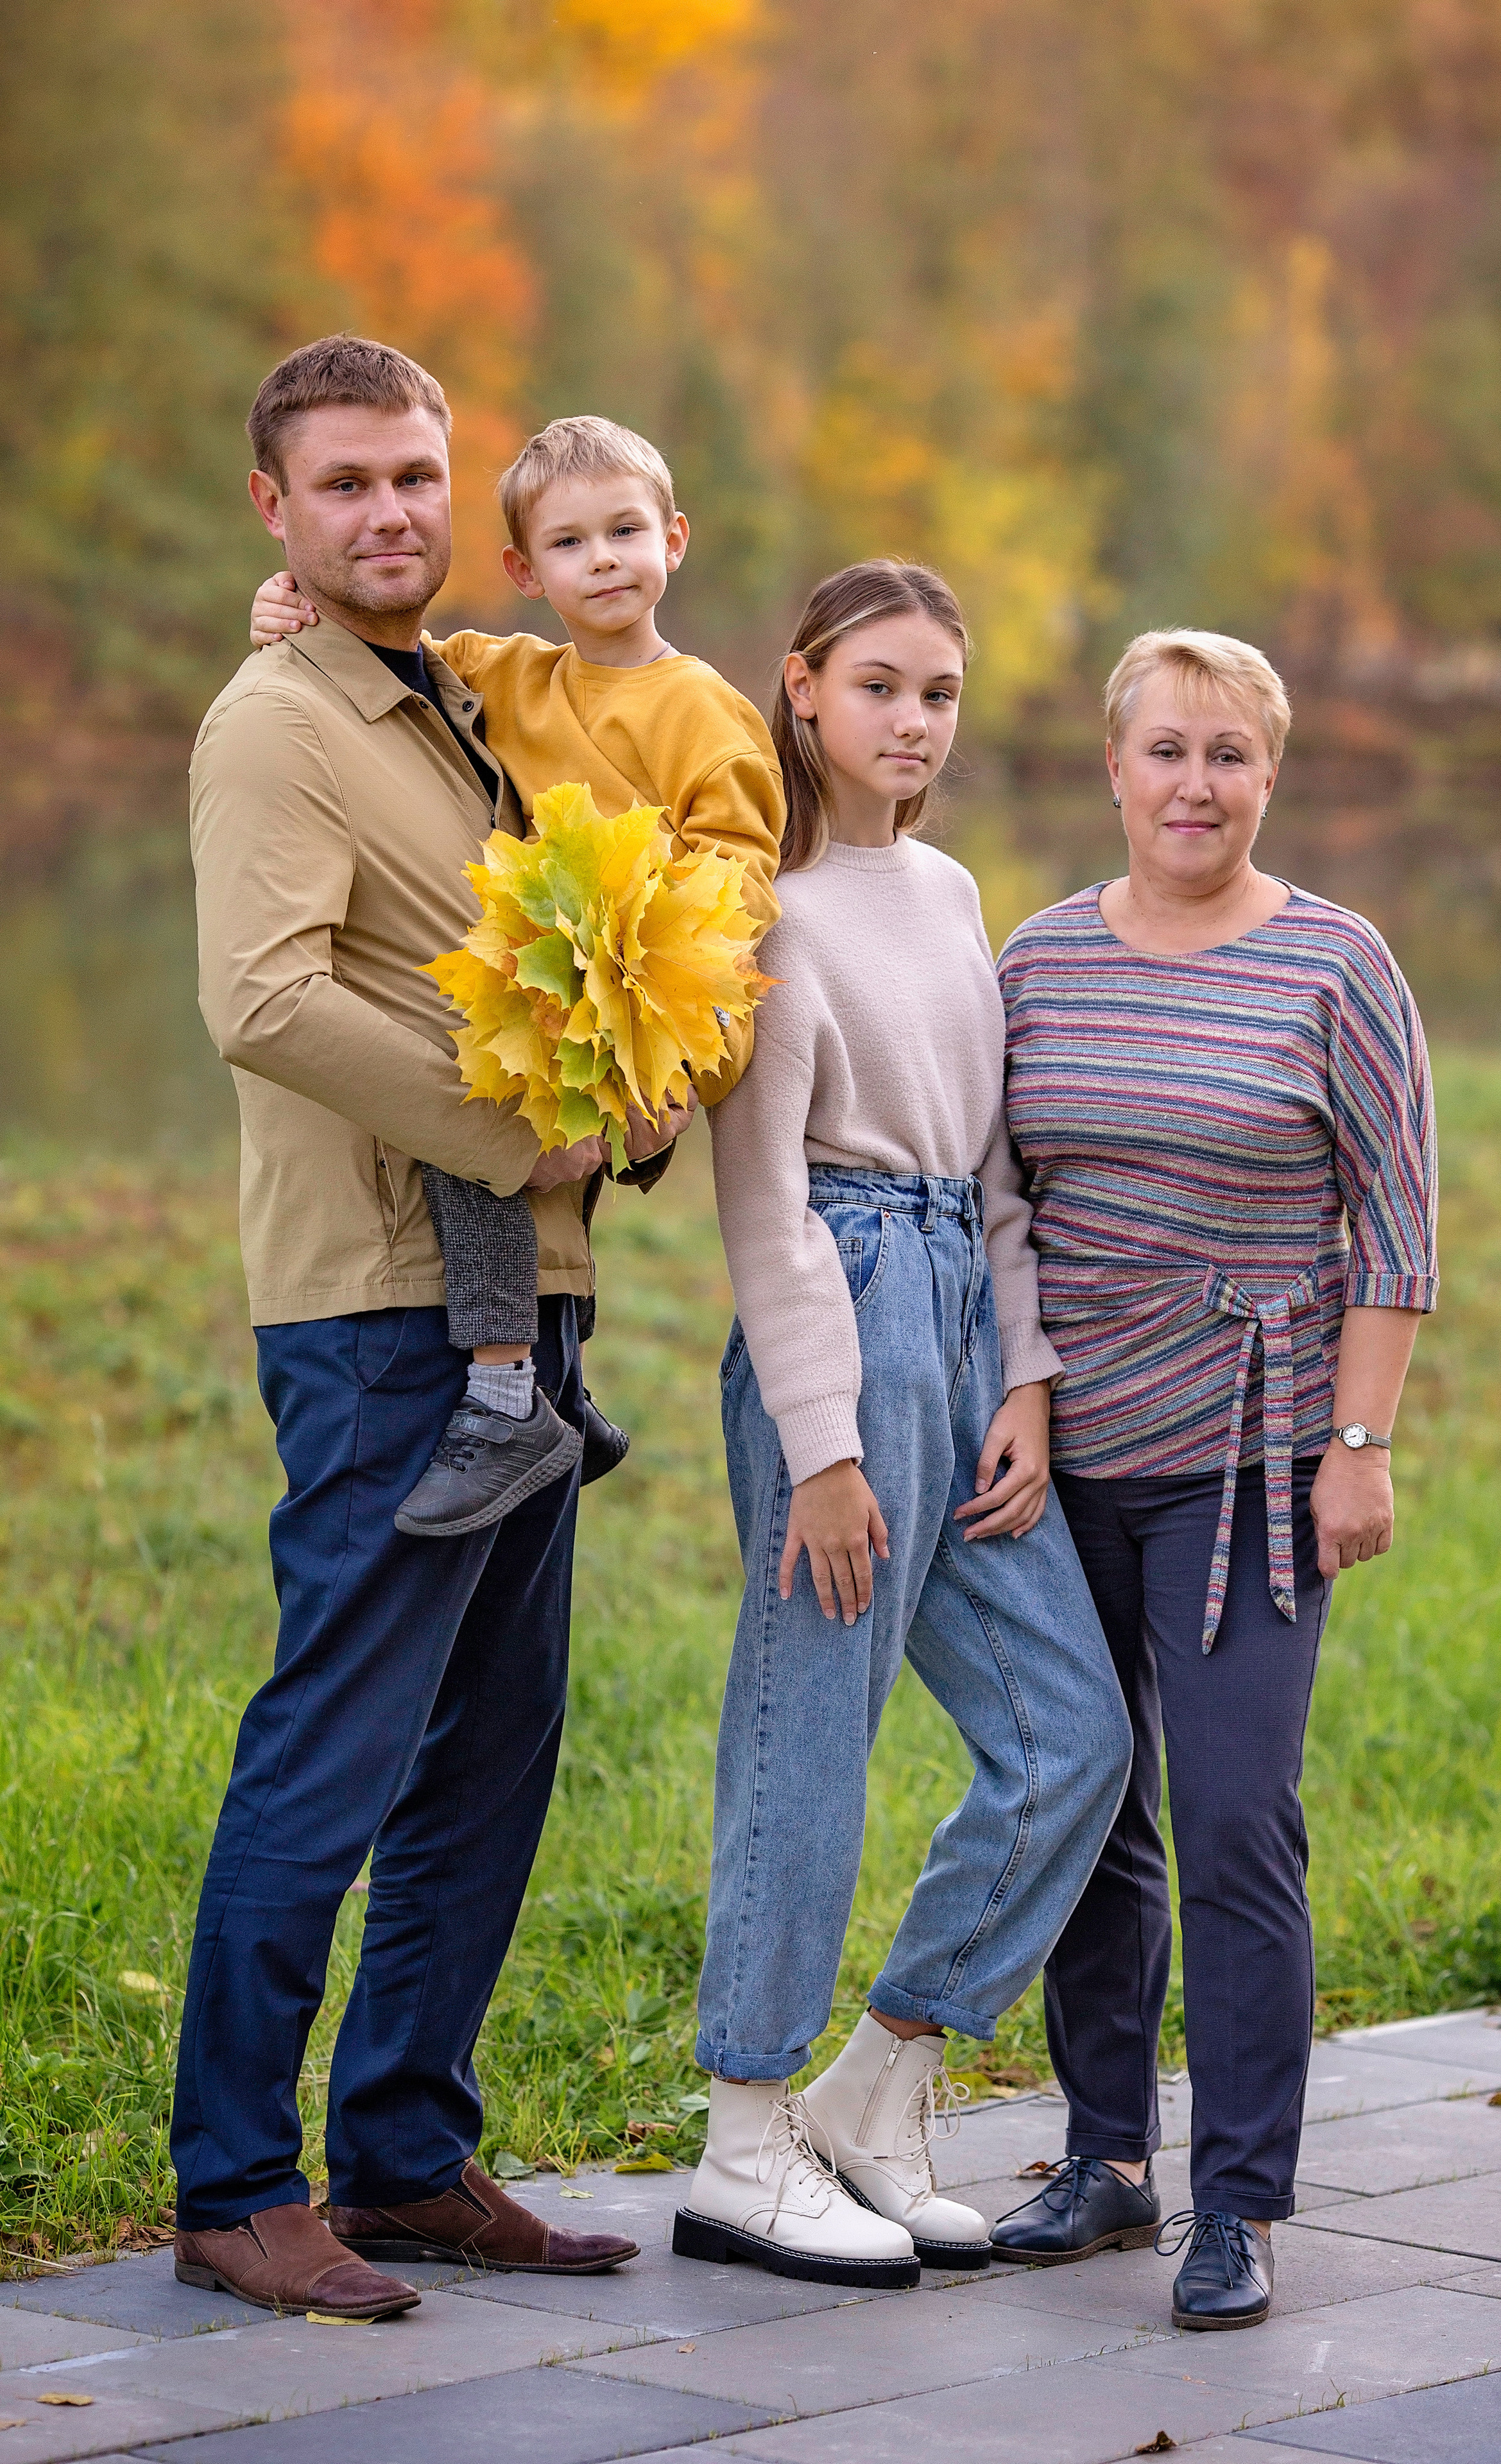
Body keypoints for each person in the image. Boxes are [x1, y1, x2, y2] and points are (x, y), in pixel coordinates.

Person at [175, 338, 687, 2319]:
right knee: (337, 1745)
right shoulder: (277, 722)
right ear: (276, 509)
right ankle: (237, 2187)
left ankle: (402, 2157)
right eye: (346, 483)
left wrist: (625, 1098)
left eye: (413, 476)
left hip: (524, 1302)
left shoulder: (457, 709)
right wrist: (516, 1129)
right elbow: (265, 996)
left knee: (490, 1756)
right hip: (382, 1309)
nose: (388, 511)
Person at [672, 561, 1133, 2289]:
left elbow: (996, 1165)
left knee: (1067, 1735)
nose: (913, 720)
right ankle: (741, 2142)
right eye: (878, 685)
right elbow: (763, 1200)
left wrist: (1024, 1375)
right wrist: (825, 1446)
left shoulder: (946, 892)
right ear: (800, 688)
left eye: (938, 691)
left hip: (957, 1314)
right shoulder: (760, 911)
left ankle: (873, 2091)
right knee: (809, 1737)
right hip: (843, 1319)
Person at [986, 629, 1438, 2331]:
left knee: (1237, 1821)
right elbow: (995, 1200)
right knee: (1091, 1809)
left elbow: (1394, 1225)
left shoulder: (1338, 963)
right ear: (1112, 766)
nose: (1194, 784)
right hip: (1061, 1461)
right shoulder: (1035, 959)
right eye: (1166, 751)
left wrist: (1359, 1445)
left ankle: (1237, 2201)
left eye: (1228, 754)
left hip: (1249, 1466)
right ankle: (1107, 2159)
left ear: (1269, 773)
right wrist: (1012, 1394)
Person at [249, 413, 784, 1539]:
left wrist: (675, 1037)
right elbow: (389, 659)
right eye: (570, 544)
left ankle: (504, 1396)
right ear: (525, 572)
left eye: (626, 532)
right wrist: (285, 609)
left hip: (648, 989)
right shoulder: (510, 673)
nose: (605, 561)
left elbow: (740, 879)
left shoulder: (704, 711)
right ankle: (557, 1390)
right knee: (485, 1103)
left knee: (476, 1123)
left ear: (674, 540)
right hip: (557, 972)